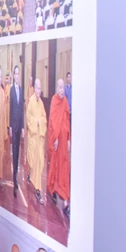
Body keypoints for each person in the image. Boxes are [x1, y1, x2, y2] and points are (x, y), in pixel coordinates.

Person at [47, 79, 71, 216]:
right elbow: (52, 121)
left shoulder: (65, 102)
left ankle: (63, 190)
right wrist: (55, 137)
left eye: (63, 88)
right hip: (56, 140)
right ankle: (54, 188)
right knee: (55, 164)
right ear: (57, 88)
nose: (62, 90)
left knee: (64, 165)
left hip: (63, 140)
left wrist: (68, 139)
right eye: (60, 87)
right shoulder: (54, 101)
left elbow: (67, 121)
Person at [27, 79, 48, 205]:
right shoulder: (31, 102)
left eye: (40, 88)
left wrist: (41, 121)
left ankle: (38, 188)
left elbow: (45, 118)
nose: (39, 91)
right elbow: (28, 118)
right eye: (37, 88)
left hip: (39, 139)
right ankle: (35, 185)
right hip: (33, 137)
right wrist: (36, 122)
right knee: (33, 161)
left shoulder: (41, 103)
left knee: (40, 161)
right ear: (34, 88)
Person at [9, 66, 25, 197]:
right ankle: (14, 180)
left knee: (18, 152)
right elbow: (10, 109)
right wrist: (10, 126)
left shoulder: (21, 89)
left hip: (20, 126)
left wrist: (23, 127)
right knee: (14, 152)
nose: (17, 76)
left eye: (19, 74)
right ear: (14, 76)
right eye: (16, 74)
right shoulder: (11, 90)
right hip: (13, 126)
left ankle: (15, 175)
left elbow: (22, 110)